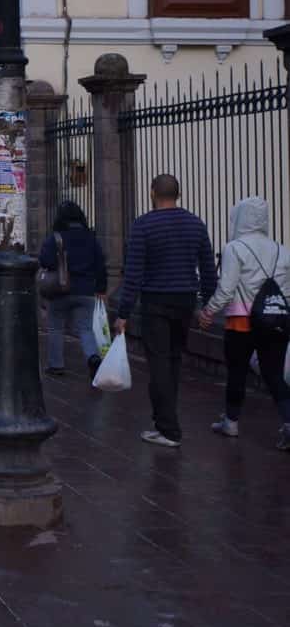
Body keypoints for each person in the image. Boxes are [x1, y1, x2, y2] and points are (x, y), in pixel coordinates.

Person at [114, 174, 216, 448]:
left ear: (151, 193)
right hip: (185, 300)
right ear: (178, 194)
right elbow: (208, 268)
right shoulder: (196, 224)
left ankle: (167, 428)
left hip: (155, 301)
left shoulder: (143, 225)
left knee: (158, 363)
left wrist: (123, 312)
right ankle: (166, 420)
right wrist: (208, 305)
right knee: (173, 360)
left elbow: (133, 273)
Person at [198, 196, 290, 449]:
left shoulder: (234, 248)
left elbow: (227, 289)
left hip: (241, 322)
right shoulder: (282, 250)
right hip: (275, 322)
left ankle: (231, 422)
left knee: (237, 372)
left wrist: (208, 311)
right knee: (274, 375)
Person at [37, 200, 107, 378]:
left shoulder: (56, 238)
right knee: (86, 328)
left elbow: (45, 260)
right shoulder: (90, 237)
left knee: (55, 327)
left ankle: (56, 365)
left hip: (60, 289)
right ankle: (92, 357)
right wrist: (102, 288)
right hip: (86, 291)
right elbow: (101, 264)